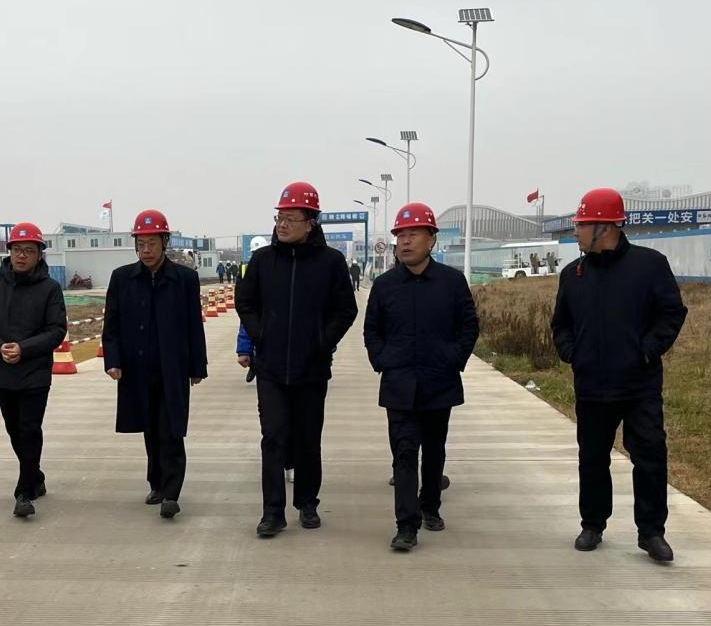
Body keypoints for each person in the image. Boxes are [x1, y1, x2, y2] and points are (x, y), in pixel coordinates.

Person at [551, 188, 688, 562]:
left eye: (581, 225)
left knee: (650, 456)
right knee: (592, 458)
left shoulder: (650, 266)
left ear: (605, 226)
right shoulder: (573, 275)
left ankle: (651, 532)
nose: (576, 232)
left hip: (639, 385)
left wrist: (645, 351)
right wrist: (572, 353)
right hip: (592, 386)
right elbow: (560, 324)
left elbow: (672, 313)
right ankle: (592, 524)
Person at [236, 181, 358, 537]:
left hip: (311, 369)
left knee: (307, 438)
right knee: (273, 438)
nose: (283, 224)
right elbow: (245, 302)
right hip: (271, 369)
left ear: (311, 222)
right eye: (279, 217)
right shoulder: (262, 261)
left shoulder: (330, 262)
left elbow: (346, 310)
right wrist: (259, 334)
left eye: (291, 218)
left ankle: (307, 502)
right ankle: (272, 512)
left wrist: (322, 341)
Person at [364, 203, 479, 551]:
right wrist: (382, 360)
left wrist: (453, 359)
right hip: (399, 383)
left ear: (431, 240)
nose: (405, 241)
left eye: (413, 234)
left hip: (438, 381)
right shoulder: (385, 286)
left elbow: (469, 326)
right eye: (400, 235)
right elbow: (372, 330)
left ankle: (430, 505)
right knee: (403, 453)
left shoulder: (451, 282)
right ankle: (406, 525)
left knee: (434, 450)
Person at [102, 209, 208, 520]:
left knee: (171, 429)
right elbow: (112, 325)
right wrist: (113, 361)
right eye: (141, 244)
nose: (146, 250)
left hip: (172, 368)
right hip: (137, 369)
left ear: (164, 242)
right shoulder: (122, 278)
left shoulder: (184, 279)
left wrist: (197, 366)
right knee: (150, 427)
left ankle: (172, 493)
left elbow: (194, 325)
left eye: (152, 243)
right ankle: (157, 483)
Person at [0, 222, 67, 518]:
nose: (21, 256)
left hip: (35, 371)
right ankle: (35, 476)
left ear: (39, 254)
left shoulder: (50, 288)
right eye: (17, 250)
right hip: (3, 371)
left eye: (29, 250)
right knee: (14, 430)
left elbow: (56, 330)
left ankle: (23, 492)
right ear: (9, 252)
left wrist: (24, 348)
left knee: (29, 428)